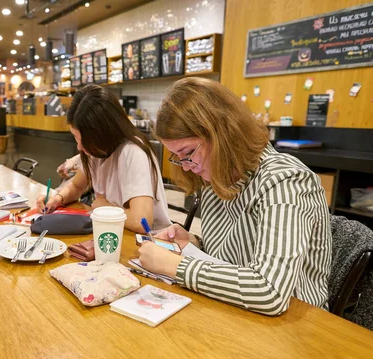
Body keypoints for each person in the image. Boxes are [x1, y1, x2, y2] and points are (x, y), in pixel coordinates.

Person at [138, 77, 331, 316]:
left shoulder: (286, 182)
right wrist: (193, 243)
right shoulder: (216, 179)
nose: (185, 166)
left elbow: (269, 291)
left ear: (223, 134)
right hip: (236, 311)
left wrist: (175, 266)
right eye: (177, 156)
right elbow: (232, 258)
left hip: (298, 326)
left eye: (188, 152)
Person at [36, 84, 170, 233]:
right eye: (76, 138)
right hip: (116, 233)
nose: (80, 147)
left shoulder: (133, 152)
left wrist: (104, 207)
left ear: (104, 133)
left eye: (84, 141)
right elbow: (76, 187)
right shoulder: (96, 152)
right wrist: (58, 198)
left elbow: (141, 221)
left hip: (149, 241)